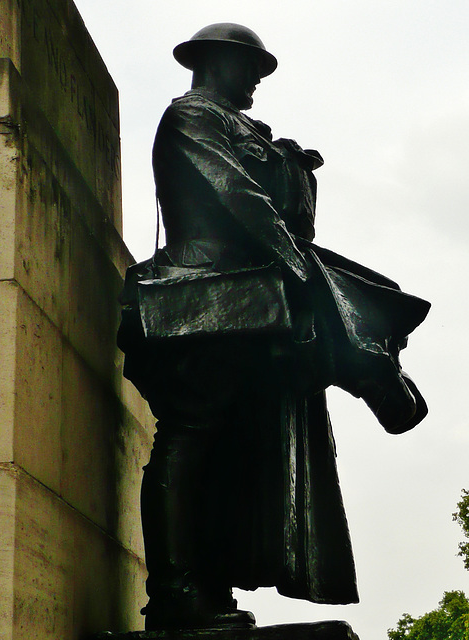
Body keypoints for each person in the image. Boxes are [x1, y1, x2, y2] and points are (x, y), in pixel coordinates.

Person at [118, 23, 430, 631]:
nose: (260, 81)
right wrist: (299, 269)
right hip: (200, 296)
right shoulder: (191, 116)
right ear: (216, 61)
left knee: (228, 451)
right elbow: (238, 198)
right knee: (191, 438)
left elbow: (293, 215)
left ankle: (207, 587)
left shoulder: (245, 128)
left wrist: (293, 167)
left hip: (245, 300)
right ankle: (178, 596)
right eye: (251, 69)